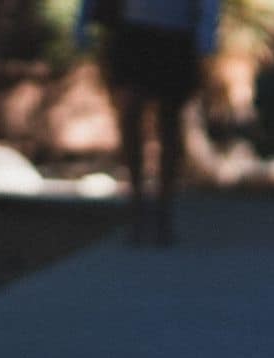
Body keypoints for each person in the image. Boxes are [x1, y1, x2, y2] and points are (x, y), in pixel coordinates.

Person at [76, 0, 220, 245]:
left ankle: (164, 208)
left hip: (175, 35)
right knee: (130, 117)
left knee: (170, 124)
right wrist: (82, 22)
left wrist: (205, 38)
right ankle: (136, 204)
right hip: (132, 34)